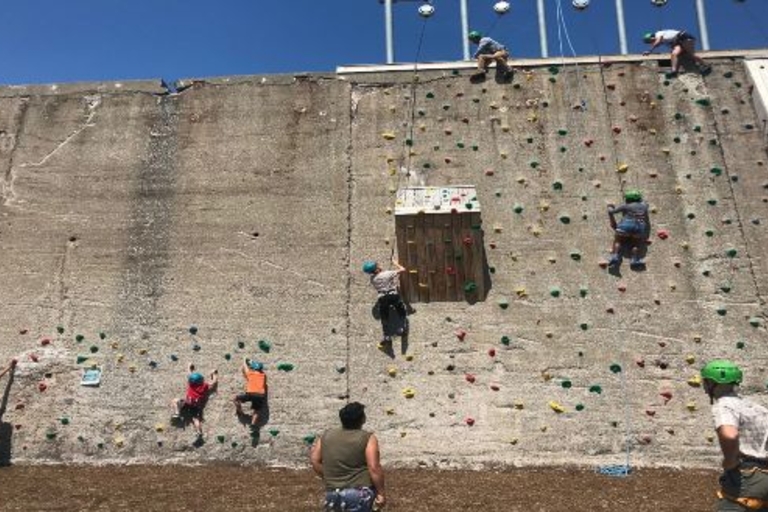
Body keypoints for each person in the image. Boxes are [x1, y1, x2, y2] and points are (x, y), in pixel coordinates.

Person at [701, 360, 768, 511]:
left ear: (712, 383)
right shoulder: (756, 407)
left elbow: (729, 435)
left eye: (705, 381)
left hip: (746, 476)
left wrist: (730, 461)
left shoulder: (723, 405)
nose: (703, 386)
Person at [310, 402, 386, 512]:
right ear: (362, 419)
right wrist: (381, 493)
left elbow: (315, 460)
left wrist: (328, 477)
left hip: (332, 493)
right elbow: (373, 467)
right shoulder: (368, 437)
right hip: (359, 492)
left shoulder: (326, 435)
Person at [363, 258, 408, 345]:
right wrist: (396, 263)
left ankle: (387, 336)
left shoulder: (373, 279)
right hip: (393, 295)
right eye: (377, 266)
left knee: (384, 317)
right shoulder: (387, 273)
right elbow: (403, 270)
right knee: (401, 311)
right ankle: (402, 328)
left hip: (382, 297)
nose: (379, 266)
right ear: (376, 269)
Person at [171, 363, 218, 442]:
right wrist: (214, 374)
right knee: (195, 419)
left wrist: (189, 366)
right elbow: (213, 382)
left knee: (175, 401)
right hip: (196, 406)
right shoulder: (205, 386)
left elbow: (189, 374)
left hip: (187, 403)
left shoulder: (191, 384)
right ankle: (199, 432)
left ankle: (177, 413)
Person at [607, 189, 650, 268]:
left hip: (625, 226)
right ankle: (634, 260)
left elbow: (612, 212)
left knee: (618, 241)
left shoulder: (625, 206)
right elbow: (646, 204)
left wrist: (610, 207)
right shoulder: (644, 206)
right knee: (635, 243)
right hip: (639, 227)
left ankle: (615, 256)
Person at [642, 29, 710, 76]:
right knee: (674, 54)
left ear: (651, 38)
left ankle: (705, 65)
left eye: (649, 41)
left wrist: (650, 51)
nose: (650, 43)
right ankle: (674, 71)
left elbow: (658, 41)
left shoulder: (658, 34)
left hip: (684, 37)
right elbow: (672, 45)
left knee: (691, 55)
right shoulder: (665, 41)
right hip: (679, 42)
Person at [233, 358, 267, 426]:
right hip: (260, 395)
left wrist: (244, 359)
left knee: (236, 399)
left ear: (253, 368)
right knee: (256, 410)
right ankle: (253, 425)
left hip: (251, 393)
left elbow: (244, 367)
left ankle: (240, 412)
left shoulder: (250, 373)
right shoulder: (263, 376)